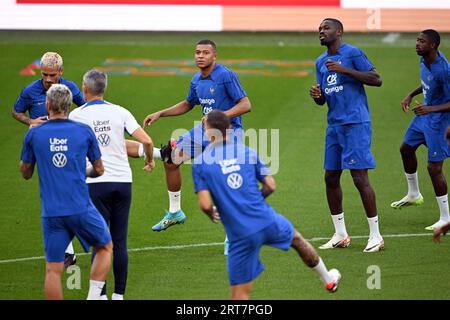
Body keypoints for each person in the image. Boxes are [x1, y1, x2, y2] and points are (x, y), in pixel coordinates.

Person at [191, 110, 341, 300]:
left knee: (240, 296)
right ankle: (328, 279)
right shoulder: (247, 152)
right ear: (229, 129)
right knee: (297, 240)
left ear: (207, 131)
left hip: (239, 234)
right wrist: (254, 201)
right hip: (266, 220)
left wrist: (212, 212)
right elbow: (270, 185)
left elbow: (204, 204)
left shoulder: (201, 163)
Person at [133, 39, 251, 254]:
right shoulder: (197, 79)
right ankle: (175, 212)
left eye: (205, 53)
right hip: (204, 131)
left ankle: (232, 236)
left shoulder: (225, 75)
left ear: (214, 56)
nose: (200, 56)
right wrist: (161, 113)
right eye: (197, 52)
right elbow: (188, 103)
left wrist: (219, 116)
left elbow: (245, 105)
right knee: (171, 159)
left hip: (227, 131)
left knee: (224, 181)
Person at [19, 84, 112, 300]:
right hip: (81, 208)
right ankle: (93, 297)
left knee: (53, 269)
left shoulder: (34, 134)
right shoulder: (83, 131)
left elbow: (25, 172)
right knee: (105, 246)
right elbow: (99, 169)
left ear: (48, 105)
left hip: (52, 213)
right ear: (68, 106)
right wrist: (82, 172)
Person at [69, 69, 155, 300]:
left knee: (100, 242)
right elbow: (146, 140)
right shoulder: (120, 111)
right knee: (119, 241)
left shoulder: (76, 116)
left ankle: (101, 295)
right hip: (123, 182)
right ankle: (119, 296)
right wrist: (148, 160)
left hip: (95, 183)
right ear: (104, 89)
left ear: (85, 89)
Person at [309, 18, 384, 253]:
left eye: (326, 28)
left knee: (359, 177)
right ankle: (340, 234)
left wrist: (345, 70)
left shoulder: (352, 53)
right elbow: (325, 98)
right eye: (320, 29)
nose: (321, 31)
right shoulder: (320, 61)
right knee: (330, 177)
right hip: (334, 125)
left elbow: (376, 79)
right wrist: (318, 96)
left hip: (356, 123)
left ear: (339, 32)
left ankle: (376, 235)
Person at [13, 51, 85, 267]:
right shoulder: (30, 91)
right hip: (43, 149)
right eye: (44, 74)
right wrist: (30, 121)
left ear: (60, 72)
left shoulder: (70, 88)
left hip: (68, 147)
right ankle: (70, 249)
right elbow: (16, 111)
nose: (47, 79)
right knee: (56, 195)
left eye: (52, 75)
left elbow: (85, 108)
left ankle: (68, 251)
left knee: (62, 195)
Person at [390, 30, 450, 231]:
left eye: (421, 41)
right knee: (406, 149)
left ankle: (446, 217)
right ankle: (414, 194)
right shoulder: (424, 60)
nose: (417, 44)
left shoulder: (444, 70)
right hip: (424, 116)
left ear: (433, 45)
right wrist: (410, 94)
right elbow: (427, 83)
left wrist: (429, 109)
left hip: (439, 121)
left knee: (434, 168)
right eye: (417, 40)